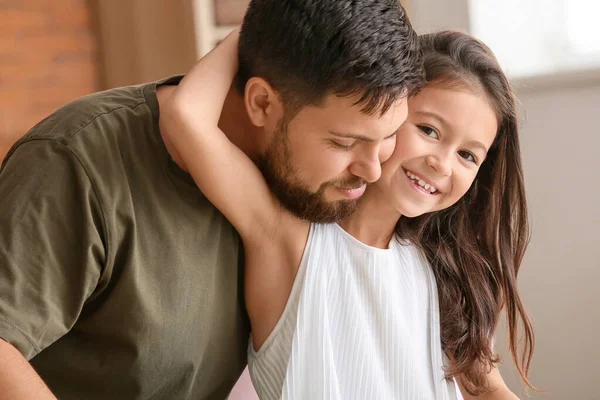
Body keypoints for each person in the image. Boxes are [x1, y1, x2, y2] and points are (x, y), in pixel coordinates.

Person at [0, 1, 422, 399]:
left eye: (388, 137)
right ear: (261, 102)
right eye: (345, 142)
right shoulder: (79, 160)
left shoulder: (319, 187)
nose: (373, 169)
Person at [161, 29, 535, 399]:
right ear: (385, 110)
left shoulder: (444, 273)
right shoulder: (287, 235)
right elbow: (186, 116)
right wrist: (262, 26)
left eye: (468, 155)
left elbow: (487, 389)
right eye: (429, 130)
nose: (442, 164)